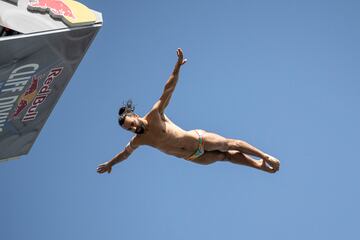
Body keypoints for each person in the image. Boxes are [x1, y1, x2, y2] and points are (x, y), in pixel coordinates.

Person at [97, 48, 280, 174]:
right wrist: (110, 164)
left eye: (132, 124)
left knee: (228, 144)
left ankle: (265, 156)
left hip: (199, 139)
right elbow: (125, 153)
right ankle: (259, 166)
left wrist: (177, 67)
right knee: (224, 158)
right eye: (130, 129)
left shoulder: (154, 115)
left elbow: (168, 90)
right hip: (194, 157)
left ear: (135, 117)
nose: (133, 129)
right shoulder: (139, 140)